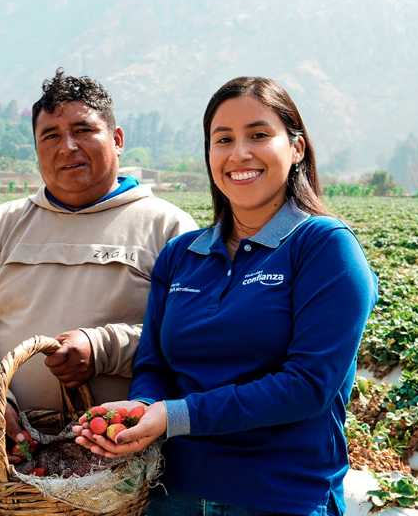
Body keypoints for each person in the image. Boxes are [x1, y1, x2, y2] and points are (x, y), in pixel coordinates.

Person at [74, 77, 377, 515]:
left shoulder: (323, 246)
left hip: (281, 497)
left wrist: (175, 416)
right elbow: (154, 364)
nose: (239, 154)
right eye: (223, 139)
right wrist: (141, 408)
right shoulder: (182, 255)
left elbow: (308, 385)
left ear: (296, 149)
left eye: (258, 135)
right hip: (174, 495)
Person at [0, 68, 197, 449]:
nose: (68, 146)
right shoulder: (2, 225)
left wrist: (101, 348)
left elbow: (190, 336)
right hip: (18, 450)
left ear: (117, 138)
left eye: (83, 130)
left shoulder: (168, 226)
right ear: (37, 148)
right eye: (51, 135)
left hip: (122, 447)